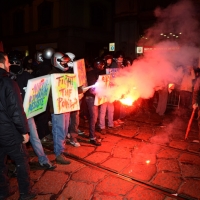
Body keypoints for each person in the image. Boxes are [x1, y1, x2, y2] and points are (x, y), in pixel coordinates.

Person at [8, 51, 56, 170]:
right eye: (12, 62)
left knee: (34, 137)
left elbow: (36, 91)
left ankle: (43, 159)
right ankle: (17, 164)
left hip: (27, 114)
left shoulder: (27, 76)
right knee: (16, 141)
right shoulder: (6, 78)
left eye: (16, 62)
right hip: (13, 115)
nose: (14, 64)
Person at [0, 52, 37, 199]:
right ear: (2, 63)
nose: (9, 65)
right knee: (21, 161)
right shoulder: (8, 82)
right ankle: (25, 193)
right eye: (8, 62)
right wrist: (24, 131)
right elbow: (16, 110)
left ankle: (3, 192)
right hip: (9, 132)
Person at [48, 52, 72, 164]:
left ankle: (61, 149)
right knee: (59, 130)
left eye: (66, 61)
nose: (66, 63)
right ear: (56, 61)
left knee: (65, 129)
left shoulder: (64, 73)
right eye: (63, 61)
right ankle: (58, 153)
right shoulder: (51, 75)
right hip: (57, 108)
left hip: (66, 105)